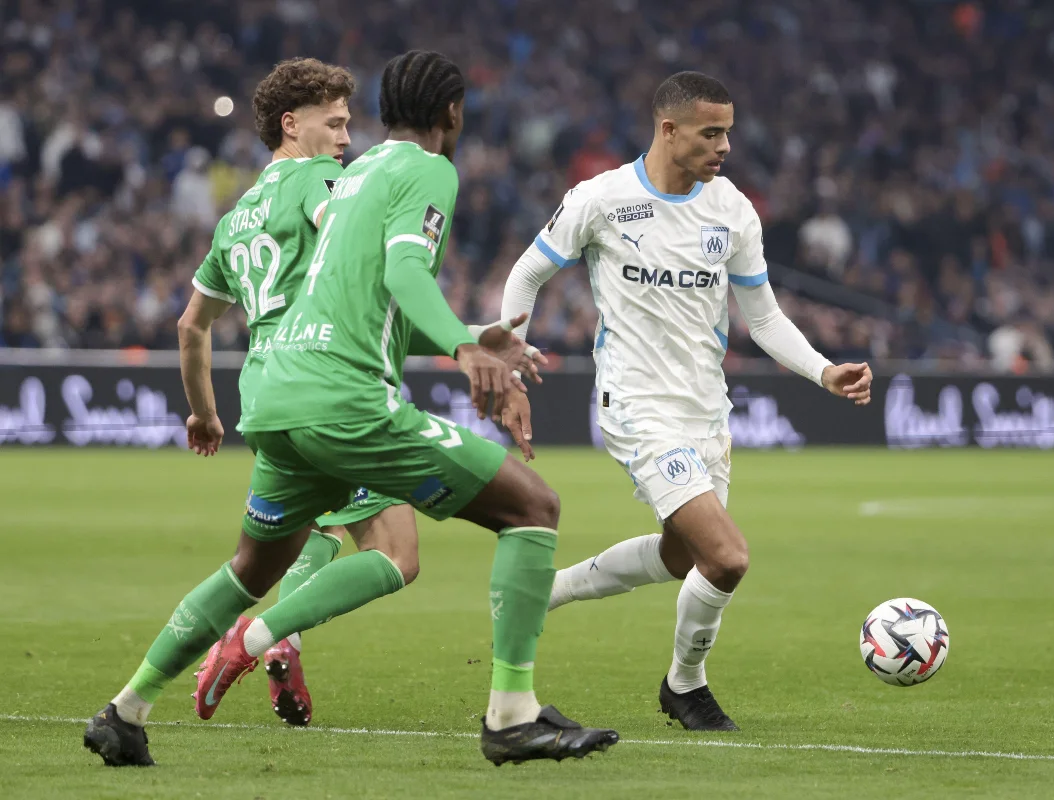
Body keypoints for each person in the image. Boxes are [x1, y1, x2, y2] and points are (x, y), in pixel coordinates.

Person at [84, 50, 617, 769]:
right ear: (452, 113)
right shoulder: (344, 180)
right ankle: (511, 716)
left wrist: (205, 413)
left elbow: (195, 325)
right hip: (341, 395)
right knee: (522, 510)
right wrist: (464, 347)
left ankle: (126, 709)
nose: (343, 136)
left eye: (348, 123)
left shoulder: (252, 211)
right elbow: (398, 268)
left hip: (270, 396)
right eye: (332, 123)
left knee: (250, 568)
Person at [500, 71, 873, 731]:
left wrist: (824, 372)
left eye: (728, 132)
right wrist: (508, 357)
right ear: (669, 130)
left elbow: (764, 318)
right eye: (711, 133)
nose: (725, 146)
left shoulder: (732, 210)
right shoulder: (603, 198)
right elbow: (529, 271)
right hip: (635, 404)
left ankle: (546, 591)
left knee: (683, 557)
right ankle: (685, 685)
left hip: (705, 410)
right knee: (726, 556)